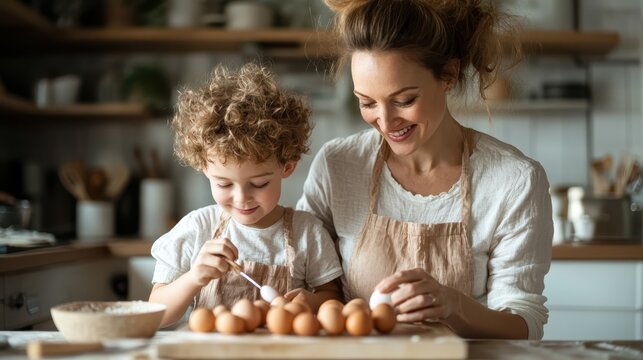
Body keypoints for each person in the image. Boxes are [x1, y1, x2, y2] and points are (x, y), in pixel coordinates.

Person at [297, 0, 552, 340]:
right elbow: (304, 272)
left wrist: (453, 305)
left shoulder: (513, 181)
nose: (386, 122)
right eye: (367, 102)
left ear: (448, 74)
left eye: (404, 100)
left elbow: (525, 324)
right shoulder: (338, 166)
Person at [150, 63, 344, 327]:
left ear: (287, 167)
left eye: (259, 183)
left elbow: (333, 297)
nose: (242, 198)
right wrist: (194, 277)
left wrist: (311, 302)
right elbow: (155, 315)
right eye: (224, 184)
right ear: (204, 168)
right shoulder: (197, 230)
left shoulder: (306, 233)